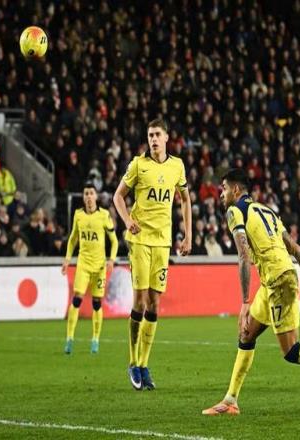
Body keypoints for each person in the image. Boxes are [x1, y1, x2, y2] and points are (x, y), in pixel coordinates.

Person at [202, 169, 300, 415]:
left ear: (235, 190)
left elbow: (243, 256)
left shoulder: (234, 212)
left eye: (223, 189)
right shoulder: (267, 211)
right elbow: (296, 248)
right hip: (275, 280)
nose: (220, 194)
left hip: (279, 281)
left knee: (291, 350)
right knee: (246, 334)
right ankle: (231, 400)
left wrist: (244, 301)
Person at [113, 118, 192, 391]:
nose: (154, 139)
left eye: (158, 134)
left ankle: (144, 365)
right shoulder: (138, 165)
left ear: (167, 137)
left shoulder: (177, 166)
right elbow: (118, 196)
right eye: (150, 135)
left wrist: (188, 235)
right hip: (139, 240)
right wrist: (127, 221)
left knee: (155, 304)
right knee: (140, 300)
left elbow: (185, 199)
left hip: (162, 242)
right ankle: (133, 362)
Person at [62, 183, 118, 354]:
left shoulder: (104, 215)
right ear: (83, 197)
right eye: (86, 193)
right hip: (83, 264)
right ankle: (69, 338)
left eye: (91, 193)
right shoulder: (78, 215)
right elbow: (73, 239)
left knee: (96, 303)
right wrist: (67, 259)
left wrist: (111, 260)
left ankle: (95, 339)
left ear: (96, 196)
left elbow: (114, 241)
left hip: (100, 266)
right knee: (77, 299)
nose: (88, 196)